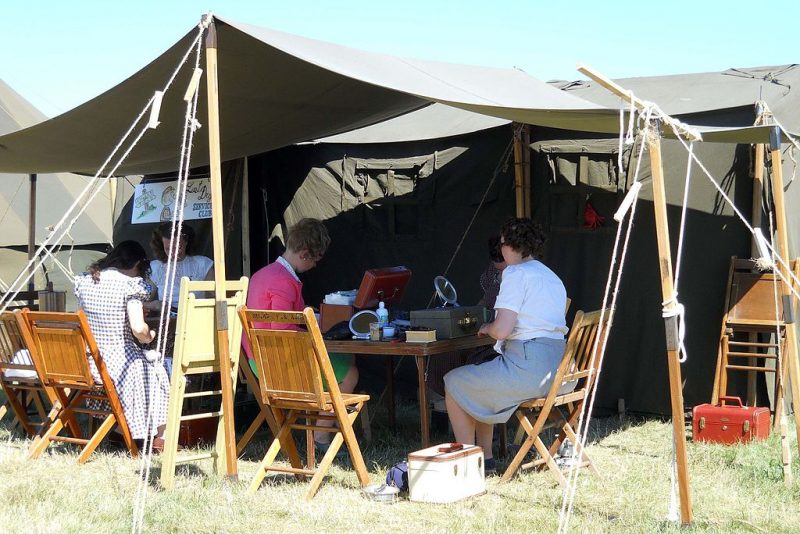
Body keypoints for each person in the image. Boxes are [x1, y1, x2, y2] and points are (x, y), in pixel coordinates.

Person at [444, 218, 568, 474]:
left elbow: (501, 330)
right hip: (561, 373)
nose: (500, 250)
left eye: (501, 245)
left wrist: (488, 328)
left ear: (512, 245)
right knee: (479, 378)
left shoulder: (514, 273)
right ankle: (486, 459)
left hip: (529, 371)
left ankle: (468, 464)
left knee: (455, 382)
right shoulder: (550, 275)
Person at [243, 218, 357, 451]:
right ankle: (321, 437)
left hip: (259, 360)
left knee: (344, 361)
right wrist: (315, 337)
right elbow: (282, 332)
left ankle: (324, 425)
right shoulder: (283, 282)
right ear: (305, 254)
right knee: (350, 372)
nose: (315, 265)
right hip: (277, 364)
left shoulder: (262, 275)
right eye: (315, 259)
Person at [74, 240, 170, 450]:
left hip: (90, 362)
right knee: (158, 366)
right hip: (118, 365)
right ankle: (161, 436)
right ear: (136, 264)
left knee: (147, 364)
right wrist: (150, 335)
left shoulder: (87, 280)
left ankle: (120, 430)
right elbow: (138, 329)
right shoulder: (130, 285)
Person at [427, 236, 507, 400]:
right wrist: (474, 316)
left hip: (504, 350)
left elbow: (502, 329)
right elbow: (484, 305)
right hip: (494, 338)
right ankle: (446, 404)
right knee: (445, 354)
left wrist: (489, 327)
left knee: (462, 362)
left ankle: (465, 401)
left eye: (503, 270)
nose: (500, 274)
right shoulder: (494, 276)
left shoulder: (519, 280)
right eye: (498, 270)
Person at [144, 222, 213, 313]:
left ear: (186, 242)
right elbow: (142, 302)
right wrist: (154, 305)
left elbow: (218, 296)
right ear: (161, 246)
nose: (174, 252)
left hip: (196, 317)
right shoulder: (155, 267)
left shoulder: (203, 264)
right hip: (167, 320)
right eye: (168, 248)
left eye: (178, 247)